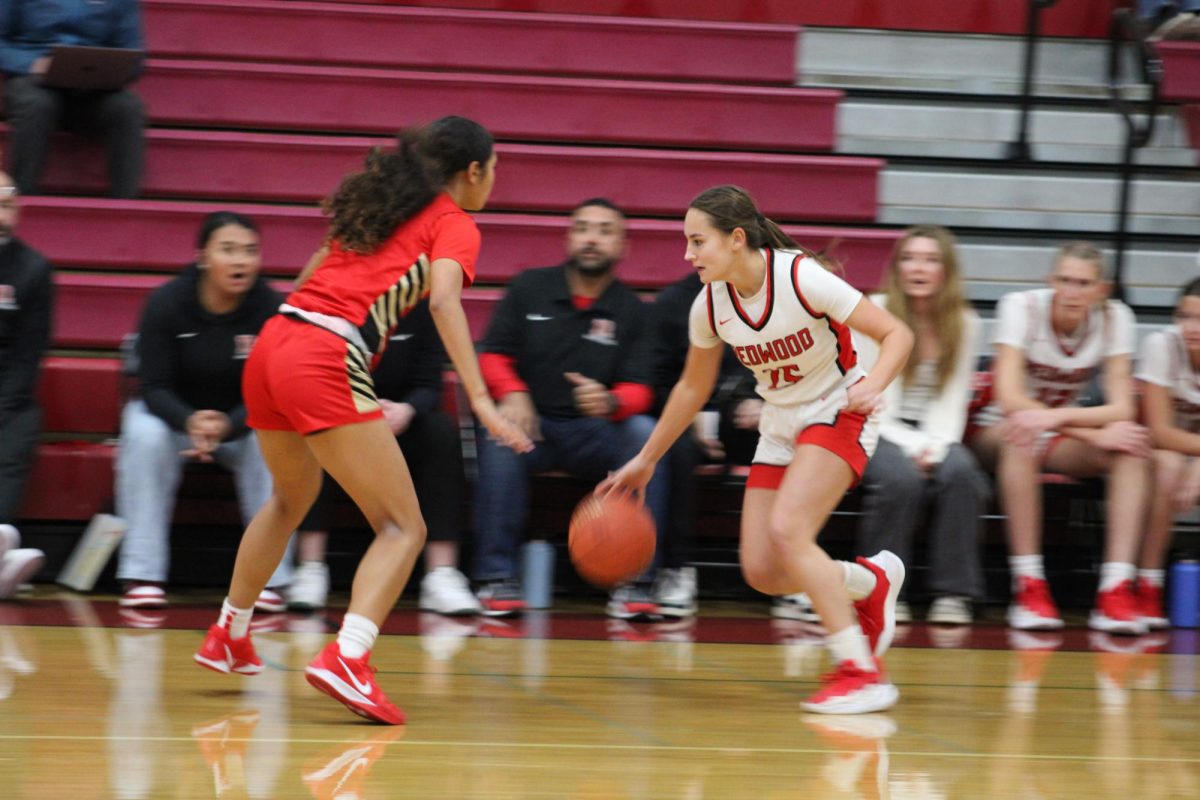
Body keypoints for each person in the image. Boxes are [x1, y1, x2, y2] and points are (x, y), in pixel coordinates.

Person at [193, 116, 529, 726]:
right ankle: (348, 657)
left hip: (276, 339)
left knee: (289, 499)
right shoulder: (454, 222)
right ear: (473, 170)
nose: (495, 179)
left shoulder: (378, 206)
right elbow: (448, 300)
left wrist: (289, 342)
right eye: (495, 167)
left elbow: (311, 273)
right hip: (323, 353)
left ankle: (229, 632)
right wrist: (480, 399)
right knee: (404, 526)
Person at [601, 185, 913, 714]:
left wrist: (875, 382)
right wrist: (646, 459)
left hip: (838, 408)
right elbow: (691, 390)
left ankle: (861, 671)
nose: (687, 254)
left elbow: (896, 333)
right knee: (763, 571)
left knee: (790, 530)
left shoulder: (800, 276)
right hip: (781, 422)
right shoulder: (711, 305)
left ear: (736, 239)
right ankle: (870, 581)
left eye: (698, 241)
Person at [473, 198, 668, 619]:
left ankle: (638, 582)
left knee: (645, 436)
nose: (592, 238)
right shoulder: (529, 288)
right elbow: (492, 355)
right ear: (569, 238)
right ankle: (495, 578)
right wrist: (512, 392)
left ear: (623, 246)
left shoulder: (633, 310)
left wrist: (611, 402)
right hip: (534, 425)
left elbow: (642, 390)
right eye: (582, 228)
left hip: (593, 433)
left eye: (604, 230)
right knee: (499, 437)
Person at [115, 211, 295, 611]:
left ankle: (271, 577)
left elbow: (274, 390)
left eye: (250, 251)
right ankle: (143, 573)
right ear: (202, 257)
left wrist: (227, 425)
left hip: (244, 421)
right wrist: (190, 421)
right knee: (144, 436)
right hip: (173, 418)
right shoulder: (166, 302)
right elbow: (152, 386)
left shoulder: (271, 307)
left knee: (278, 438)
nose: (240, 262)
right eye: (228, 250)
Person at [968, 242, 1149, 635]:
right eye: (1064, 280)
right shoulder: (1020, 307)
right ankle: (1028, 585)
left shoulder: (1117, 318)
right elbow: (1011, 398)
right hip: (994, 429)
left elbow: (1121, 410)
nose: (1072, 291)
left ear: (1102, 290)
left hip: (1055, 431)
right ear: (1051, 282)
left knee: (1131, 450)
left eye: (1083, 283)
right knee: (1024, 436)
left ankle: (1115, 589)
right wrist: (1082, 428)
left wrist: (1057, 419)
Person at [288, 302, 480, 616]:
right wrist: (359, 411)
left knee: (442, 432)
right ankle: (311, 567)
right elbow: (316, 376)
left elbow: (429, 385)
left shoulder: (422, 308)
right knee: (313, 432)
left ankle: (441, 573)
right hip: (343, 418)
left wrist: (406, 410)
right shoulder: (333, 305)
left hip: (400, 422)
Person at [853, 225, 989, 625]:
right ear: (897, 267)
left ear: (946, 271)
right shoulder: (874, 309)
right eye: (910, 258)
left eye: (931, 260)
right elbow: (870, 396)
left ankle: (953, 593)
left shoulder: (964, 322)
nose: (919, 268)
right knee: (900, 480)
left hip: (934, 431)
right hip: (872, 424)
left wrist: (937, 447)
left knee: (963, 472)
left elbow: (952, 401)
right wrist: (916, 450)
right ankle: (879, 589)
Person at [646, 271, 755, 618]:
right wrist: (685, 414)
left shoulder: (771, 297)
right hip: (687, 417)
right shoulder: (673, 302)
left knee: (795, 441)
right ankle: (676, 568)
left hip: (754, 417)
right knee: (674, 448)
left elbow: (791, 367)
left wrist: (763, 403)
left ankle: (794, 574)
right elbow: (655, 378)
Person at [0, 0, 146, 198]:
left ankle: (127, 204)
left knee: (128, 107)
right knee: (37, 104)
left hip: (92, 91)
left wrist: (109, 69)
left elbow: (135, 58)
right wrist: (32, 64)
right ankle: (21, 198)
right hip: (34, 81)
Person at [1134, 276, 1200, 629]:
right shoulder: (1161, 345)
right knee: (1169, 465)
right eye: (1186, 316)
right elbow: (1159, 431)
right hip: (1156, 453)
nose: (1192, 327)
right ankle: (1148, 582)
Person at [0, 172, 49, 598]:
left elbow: (27, 355)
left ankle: (0, 538)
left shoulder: (34, 270)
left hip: (7, 395)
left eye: (7, 203)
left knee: (19, 424)